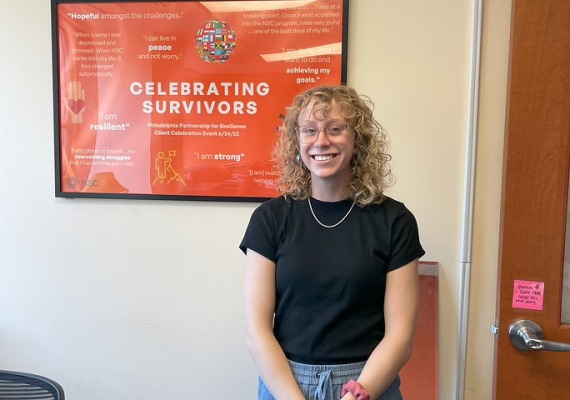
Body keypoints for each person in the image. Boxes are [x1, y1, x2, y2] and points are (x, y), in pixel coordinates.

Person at [239, 85, 425, 400]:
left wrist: (358, 393)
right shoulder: (270, 219)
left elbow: (400, 336)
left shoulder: (395, 221)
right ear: (297, 143)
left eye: (335, 129)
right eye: (309, 130)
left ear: (358, 140)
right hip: (286, 384)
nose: (321, 141)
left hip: (368, 384)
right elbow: (257, 331)